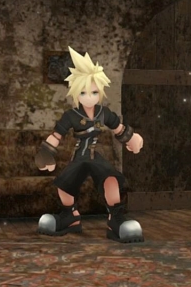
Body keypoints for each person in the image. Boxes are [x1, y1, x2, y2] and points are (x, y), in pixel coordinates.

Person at [34, 47, 146, 243]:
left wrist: (132, 138)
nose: (89, 97)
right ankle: (70, 216)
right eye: (83, 92)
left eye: (94, 92)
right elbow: (56, 135)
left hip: (97, 156)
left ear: (100, 92)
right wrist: (45, 154)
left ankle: (116, 219)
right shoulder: (71, 116)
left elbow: (119, 128)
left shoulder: (104, 113)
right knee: (64, 183)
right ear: (76, 93)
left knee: (110, 180)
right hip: (79, 156)